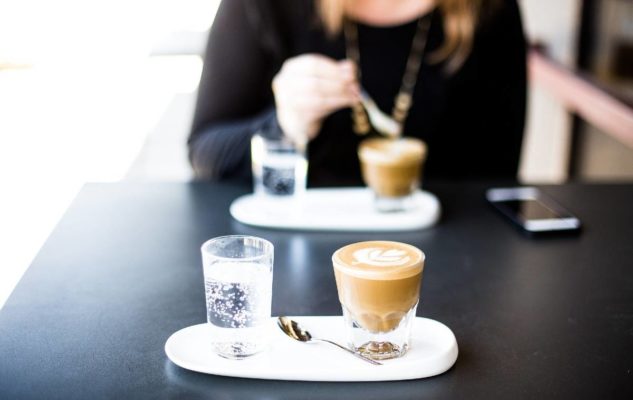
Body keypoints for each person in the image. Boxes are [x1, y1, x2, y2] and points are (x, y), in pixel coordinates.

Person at [188, 0, 527, 185]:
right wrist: (285, 126)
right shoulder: (268, 7)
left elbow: (496, 178)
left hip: (444, 263)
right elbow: (206, 152)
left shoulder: (488, 11)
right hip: (287, 249)